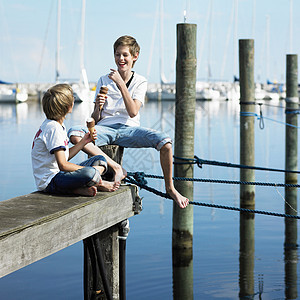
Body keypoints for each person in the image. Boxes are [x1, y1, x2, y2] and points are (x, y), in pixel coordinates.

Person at [68, 35, 189, 208]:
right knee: (74, 133)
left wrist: (120, 83)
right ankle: (116, 167)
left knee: (166, 143)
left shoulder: (140, 81)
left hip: (129, 129)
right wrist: (98, 108)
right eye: (117, 54)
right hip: (105, 129)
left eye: (125, 55)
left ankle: (170, 188)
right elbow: (94, 120)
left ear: (135, 56)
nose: (120, 59)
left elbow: (133, 112)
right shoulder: (103, 80)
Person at [31, 83, 117, 197]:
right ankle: (96, 183)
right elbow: (63, 165)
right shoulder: (53, 128)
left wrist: (84, 141)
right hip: (50, 181)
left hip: (60, 175)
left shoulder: (56, 125)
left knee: (100, 160)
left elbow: (64, 158)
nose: (74, 100)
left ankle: (81, 187)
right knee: (90, 172)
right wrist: (88, 171)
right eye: (73, 98)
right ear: (68, 106)